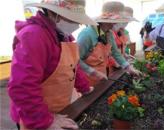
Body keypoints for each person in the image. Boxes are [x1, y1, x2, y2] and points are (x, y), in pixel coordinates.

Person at [7, 0, 97, 130]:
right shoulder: (34, 35)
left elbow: (72, 66)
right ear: (52, 13)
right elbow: (22, 86)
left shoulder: (63, 36)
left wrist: (85, 88)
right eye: (72, 18)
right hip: (34, 116)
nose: (77, 24)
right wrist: (45, 120)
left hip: (58, 107)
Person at [77, 1, 140, 86]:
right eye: (117, 21)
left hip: (104, 76)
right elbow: (76, 60)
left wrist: (128, 67)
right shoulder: (87, 35)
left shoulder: (109, 33)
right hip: (88, 80)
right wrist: (92, 72)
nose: (119, 24)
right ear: (108, 21)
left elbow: (115, 52)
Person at [109, 6, 138, 70]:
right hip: (111, 67)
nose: (126, 22)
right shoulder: (110, 32)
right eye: (124, 20)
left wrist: (125, 55)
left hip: (120, 64)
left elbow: (121, 48)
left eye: (127, 21)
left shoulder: (122, 31)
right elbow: (110, 52)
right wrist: (118, 63)